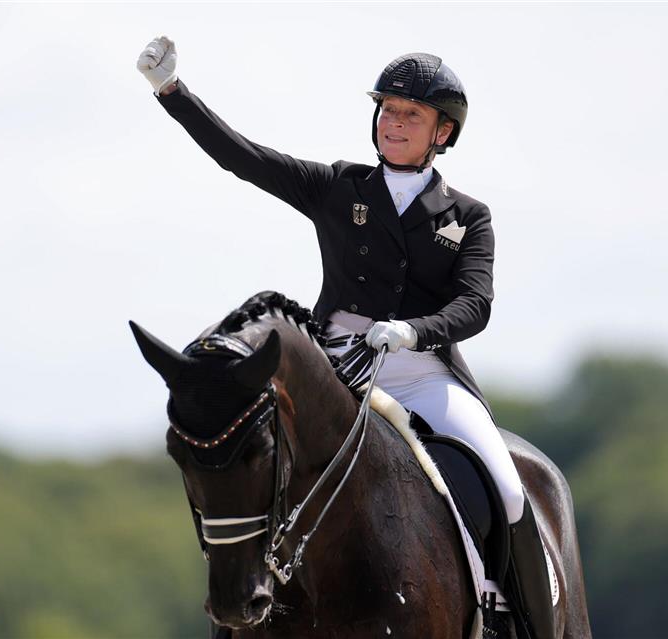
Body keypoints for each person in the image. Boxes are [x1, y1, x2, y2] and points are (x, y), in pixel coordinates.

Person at [138, 36, 555, 639]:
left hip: (422, 375)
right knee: (255, 468)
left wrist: (413, 331)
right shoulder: (339, 187)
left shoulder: (466, 216)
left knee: (511, 491)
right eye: (387, 109)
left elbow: (475, 304)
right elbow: (245, 158)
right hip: (336, 371)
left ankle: (519, 622)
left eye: (411, 113)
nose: (394, 122)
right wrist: (173, 94)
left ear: (444, 131)